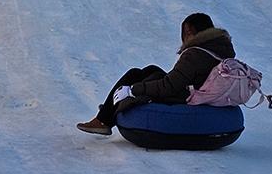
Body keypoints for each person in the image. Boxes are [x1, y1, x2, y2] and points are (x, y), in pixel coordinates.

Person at [77, 12, 235, 135]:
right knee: (150, 70)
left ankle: (104, 119)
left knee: (140, 78)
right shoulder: (220, 48)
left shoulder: (195, 53)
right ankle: (107, 112)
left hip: (189, 97)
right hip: (203, 93)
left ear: (189, 31)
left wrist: (132, 90)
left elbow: (168, 87)